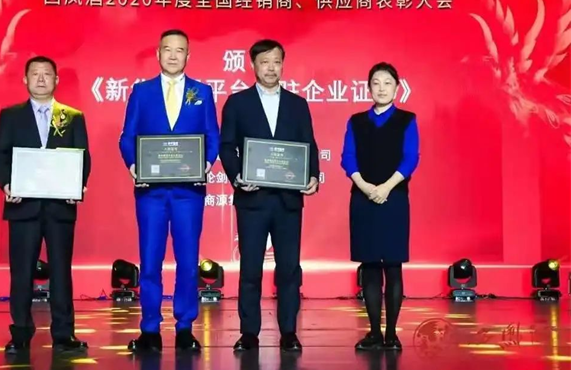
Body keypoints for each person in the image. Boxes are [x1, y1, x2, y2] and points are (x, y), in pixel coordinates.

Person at [119, 29, 220, 353]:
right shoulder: (141, 92)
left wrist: (205, 165)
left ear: (188, 55)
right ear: (158, 54)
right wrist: (134, 166)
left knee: (188, 262)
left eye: (180, 50)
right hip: (151, 192)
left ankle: (185, 327)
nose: (173, 55)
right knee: (150, 261)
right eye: (167, 49)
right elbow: (127, 137)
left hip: (188, 192)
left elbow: (212, 136)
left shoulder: (202, 92)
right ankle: (150, 328)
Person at [219, 39, 320, 352]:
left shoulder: (297, 104)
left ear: (282, 64)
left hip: (288, 201)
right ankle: (249, 333)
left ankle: (289, 332)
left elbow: (309, 144)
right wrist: (238, 176)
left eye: (276, 62)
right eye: (265, 62)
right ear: (253, 65)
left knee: (289, 269)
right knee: (250, 269)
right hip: (253, 200)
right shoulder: (237, 103)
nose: (271, 68)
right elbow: (227, 146)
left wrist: (312, 176)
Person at [0, 55, 91, 354]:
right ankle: (20, 333)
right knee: (22, 272)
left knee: (61, 271)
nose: (42, 79)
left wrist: (78, 186)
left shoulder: (73, 116)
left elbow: (83, 157)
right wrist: (7, 184)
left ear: (56, 80)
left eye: (47, 74)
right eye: (35, 74)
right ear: (25, 79)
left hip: (60, 207)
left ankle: (64, 334)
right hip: (23, 206)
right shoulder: (11, 116)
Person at [340, 62, 420, 351]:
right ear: (368, 88)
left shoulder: (407, 119)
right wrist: (366, 187)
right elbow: (348, 158)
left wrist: (385, 187)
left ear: (397, 88)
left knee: (393, 267)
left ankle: (391, 335)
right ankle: (374, 332)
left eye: (387, 83)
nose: (382, 88)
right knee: (370, 266)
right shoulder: (356, 121)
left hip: (393, 198)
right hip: (363, 198)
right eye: (376, 83)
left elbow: (411, 158)